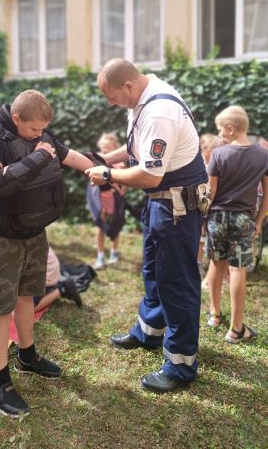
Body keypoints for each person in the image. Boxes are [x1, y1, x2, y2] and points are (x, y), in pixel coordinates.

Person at [0, 89, 94, 417]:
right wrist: (39, 155)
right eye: (35, 129)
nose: (40, 135)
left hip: (34, 232)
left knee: (27, 297)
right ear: (18, 118)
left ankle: (28, 356)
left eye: (43, 130)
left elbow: (69, 156)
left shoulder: (40, 132)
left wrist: (99, 173)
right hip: (2, 237)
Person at [86, 58, 208, 393]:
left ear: (127, 85)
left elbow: (149, 173)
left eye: (112, 96)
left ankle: (181, 363)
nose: (110, 103)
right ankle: (149, 332)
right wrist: (105, 161)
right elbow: (136, 150)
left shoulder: (159, 110)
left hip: (176, 207)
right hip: (161, 203)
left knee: (177, 281)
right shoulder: (140, 100)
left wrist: (108, 175)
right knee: (153, 272)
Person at [206, 106, 268, 340]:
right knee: (237, 269)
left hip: (217, 216)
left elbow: (210, 191)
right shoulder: (263, 155)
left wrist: (203, 215)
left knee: (216, 263)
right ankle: (236, 329)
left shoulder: (218, 154)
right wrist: (258, 220)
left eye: (220, 130)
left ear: (231, 128)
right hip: (244, 218)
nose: (219, 134)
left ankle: (215, 315)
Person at [0, 247, 83, 311]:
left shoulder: (13, 241)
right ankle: (58, 285)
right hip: (49, 270)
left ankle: (61, 289)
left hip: (47, 278)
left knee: (27, 309)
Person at [87, 132, 126, 269]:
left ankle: (114, 252)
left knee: (115, 225)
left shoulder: (119, 162)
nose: (105, 150)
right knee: (100, 226)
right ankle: (100, 255)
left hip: (114, 198)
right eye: (103, 147)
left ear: (115, 147)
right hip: (100, 198)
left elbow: (122, 183)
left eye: (108, 147)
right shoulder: (97, 159)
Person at [198, 134, 221, 281]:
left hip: (211, 204)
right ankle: (197, 262)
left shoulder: (215, 164)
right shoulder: (199, 163)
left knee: (204, 236)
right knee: (199, 235)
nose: (218, 152)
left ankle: (200, 262)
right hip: (200, 203)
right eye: (215, 149)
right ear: (204, 149)